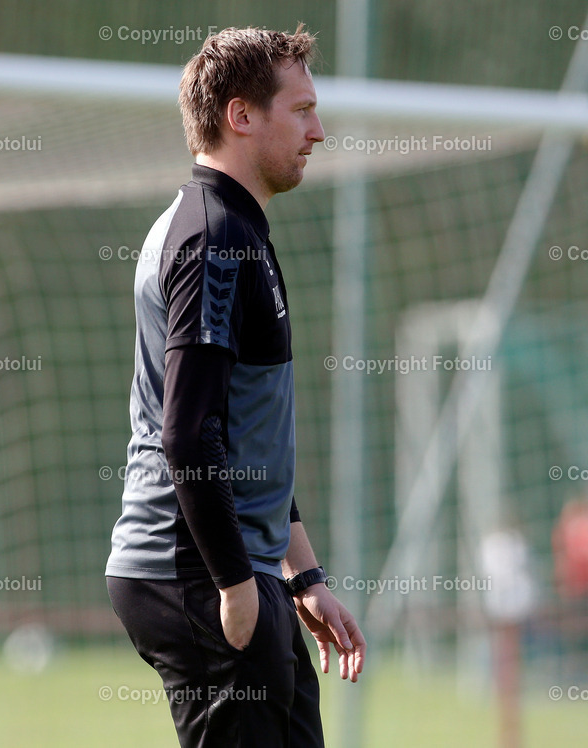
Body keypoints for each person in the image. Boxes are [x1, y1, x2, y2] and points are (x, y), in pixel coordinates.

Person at [105, 25, 365, 748]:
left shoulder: (236, 231)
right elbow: (189, 433)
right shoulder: (212, 236)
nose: (318, 131)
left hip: (238, 565)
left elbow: (244, 434)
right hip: (195, 566)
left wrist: (303, 574)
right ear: (241, 115)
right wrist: (233, 584)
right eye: (302, 110)